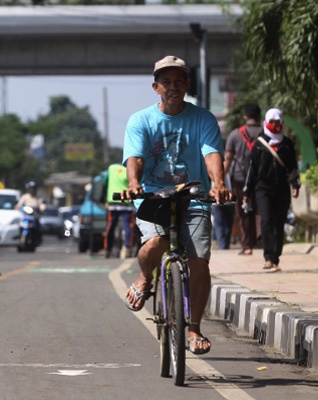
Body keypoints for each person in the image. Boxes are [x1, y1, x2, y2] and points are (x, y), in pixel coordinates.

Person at [120, 55, 232, 355]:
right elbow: (136, 157)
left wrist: (219, 184)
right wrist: (134, 183)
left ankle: (194, 327)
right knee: (156, 242)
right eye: (166, 82)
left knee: (199, 259)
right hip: (155, 195)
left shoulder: (203, 119)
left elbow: (211, 154)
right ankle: (145, 278)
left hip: (194, 195)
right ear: (156, 87)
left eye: (178, 81)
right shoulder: (140, 120)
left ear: (187, 85)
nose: (173, 87)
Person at [243, 108, 300, 273]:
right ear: (266, 122)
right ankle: (268, 258)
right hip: (263, 188)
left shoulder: (287, 144)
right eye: (272, 122)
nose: (275, 125)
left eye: (278, 122)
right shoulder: (260, 143)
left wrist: (295, 184)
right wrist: (247, 191)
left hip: (282, 188)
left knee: (278, 223)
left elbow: (293, 167)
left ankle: (276, 258)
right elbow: (252, 169)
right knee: (266, 221)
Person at [224, 104, 263, 255]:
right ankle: (262, 239)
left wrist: (219, 179)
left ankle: (247, 245)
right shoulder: (265, 133)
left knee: (244, 211)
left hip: (240, 179)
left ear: (245, 117)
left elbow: (228, 159)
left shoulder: (235, 135)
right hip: (261, 179)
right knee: (261, 209)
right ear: (260, 117)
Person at [102, 163, 135, 259]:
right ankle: (127, 248)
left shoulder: (111, 168)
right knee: (128, 226)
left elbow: (104, 183)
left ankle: (107, 249)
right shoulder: (130, 169)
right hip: (126, 203)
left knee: (110, 227)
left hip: (112, 202)